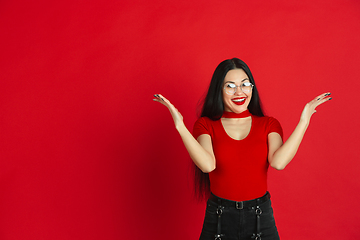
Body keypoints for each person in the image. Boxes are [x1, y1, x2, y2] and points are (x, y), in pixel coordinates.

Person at [153, 58, 331, 240]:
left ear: (252, 88)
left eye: (245, 84)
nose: (239, 92)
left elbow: (278, 162)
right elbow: (207, 165)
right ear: (219, 91)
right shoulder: (205, 125)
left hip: (260, 217)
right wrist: (180, 126)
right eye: (230, 86)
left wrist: (304, 121)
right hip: (219, 217)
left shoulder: (268, 124)